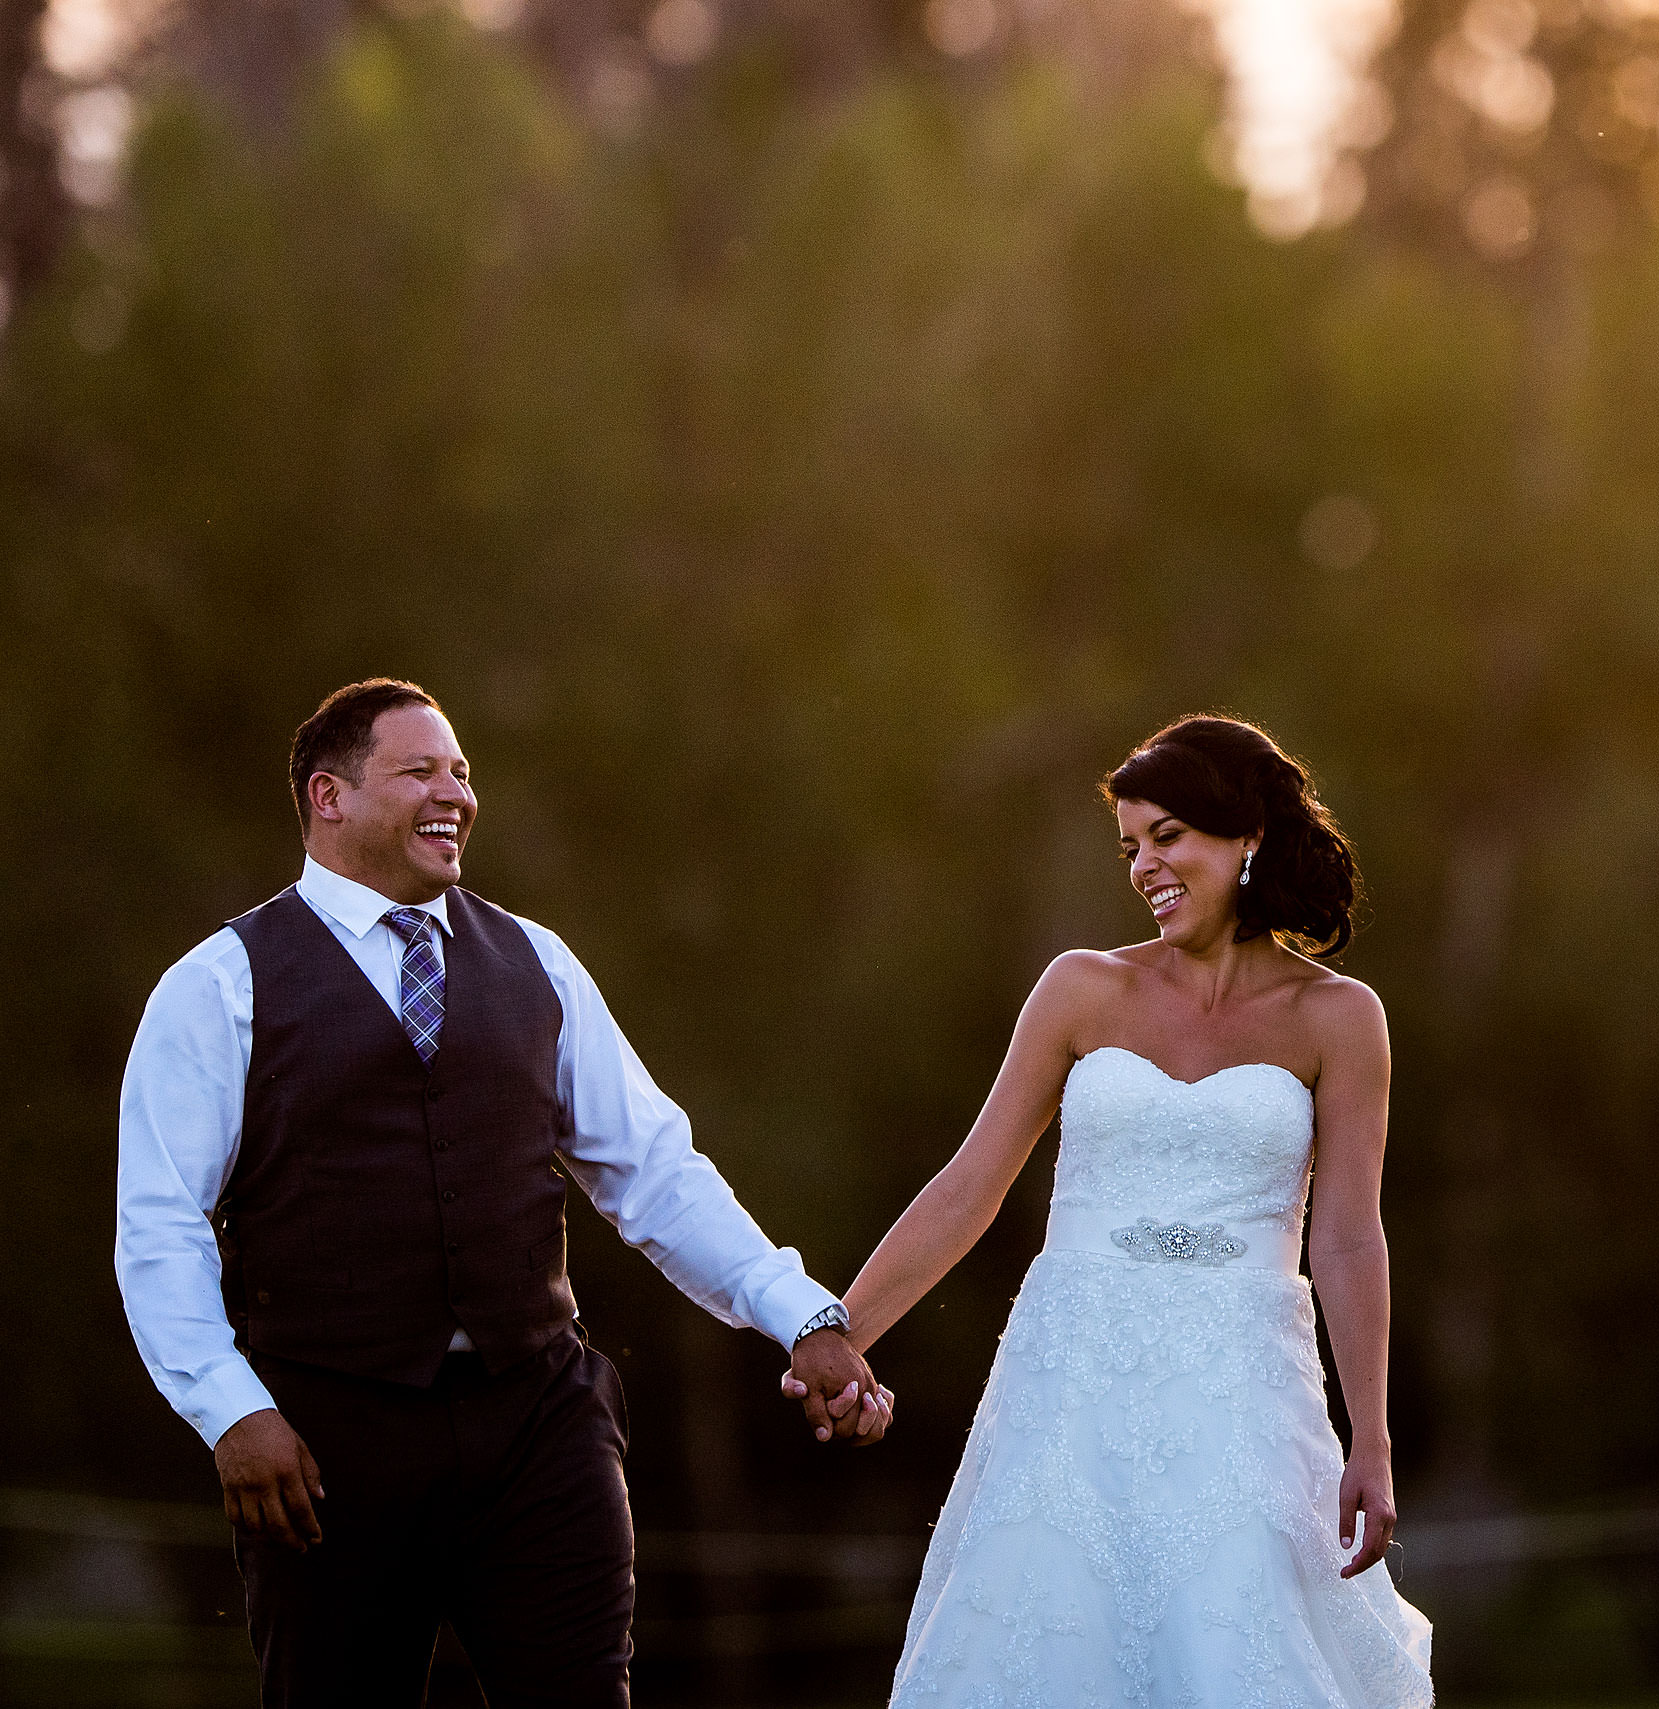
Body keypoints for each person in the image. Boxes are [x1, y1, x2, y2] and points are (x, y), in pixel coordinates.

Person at [113, 677, 892, 1707]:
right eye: (420, 770)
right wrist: (230, 1410)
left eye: (463, 771)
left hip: (537, 1425)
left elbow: (654, 1174)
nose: (456, 792)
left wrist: (804, 1315)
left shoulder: (539, 962)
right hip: (327, 1443)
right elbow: (160, 1219)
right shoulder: (221, 983)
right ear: (329, 796)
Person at [785, 713, 1433, 1704]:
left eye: (1167, 835)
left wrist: (1372, 1441)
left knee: (1235, 1649)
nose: (1143, 865)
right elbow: (971, 1183)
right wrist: (835, 1333)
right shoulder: (1080, 988)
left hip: (1244, 1390)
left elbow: (1347, 1234)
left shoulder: (1340, 1018)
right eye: (1130, 844)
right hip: (1071, 1383)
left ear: (1246, 832)